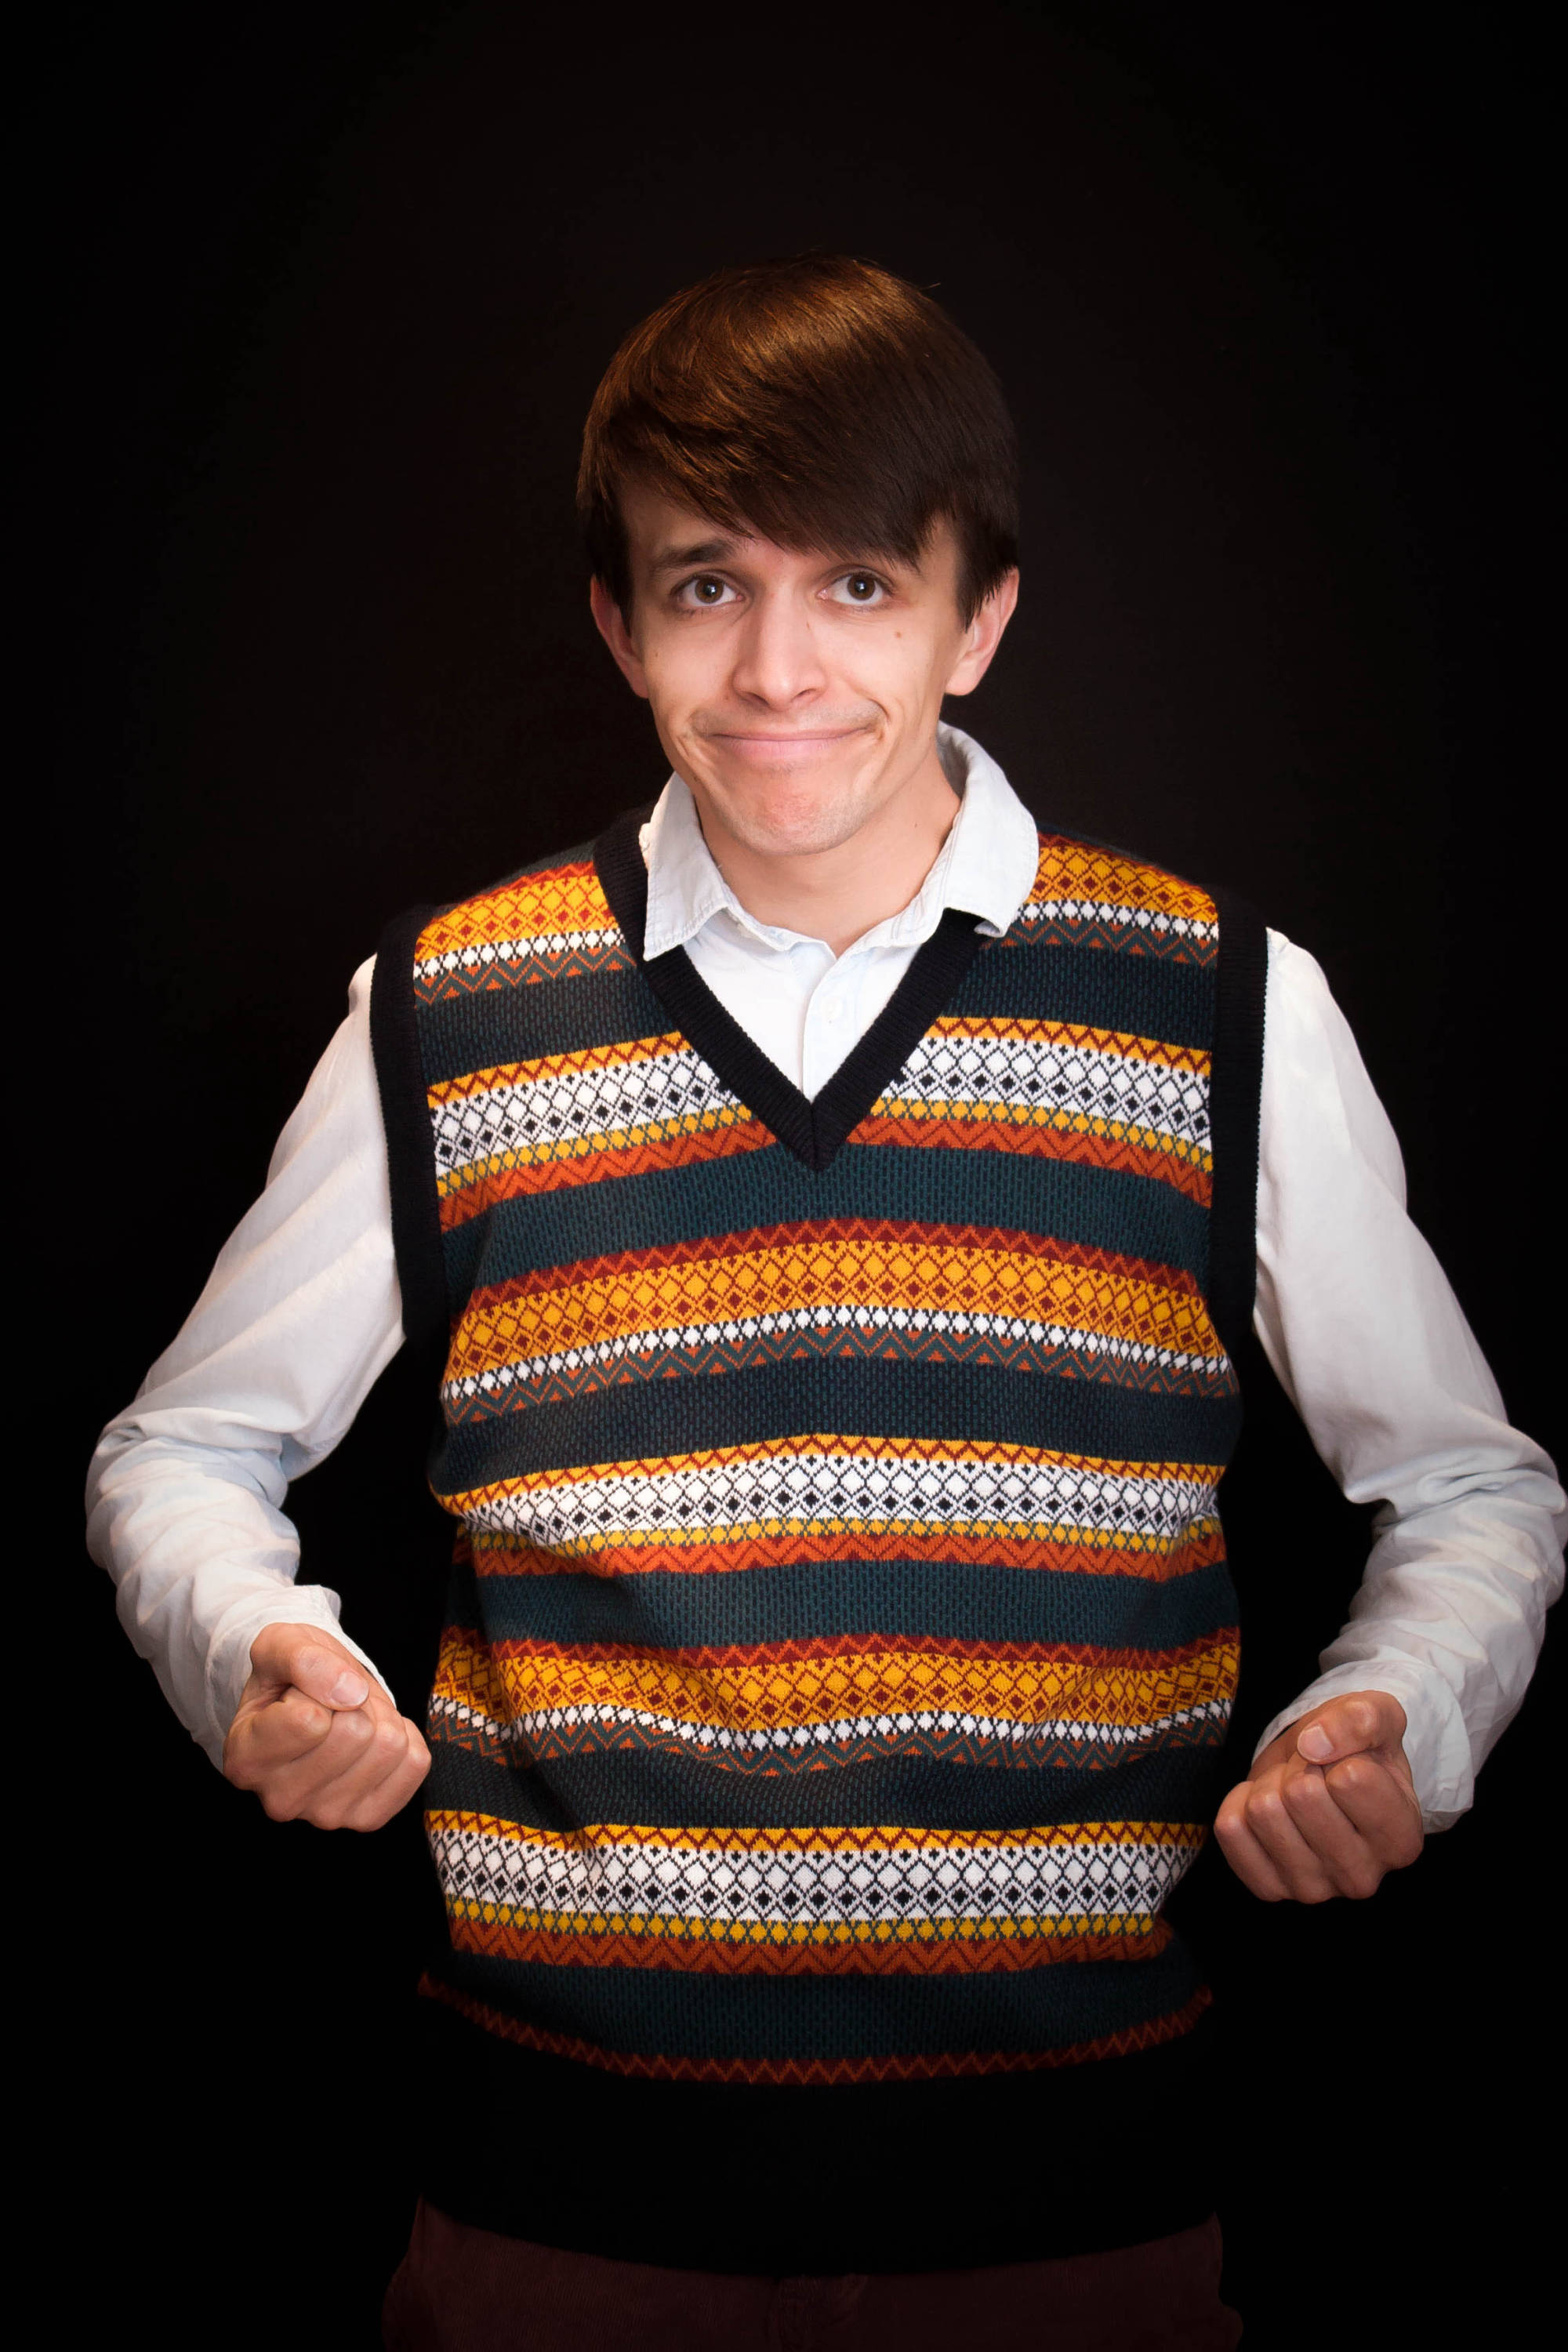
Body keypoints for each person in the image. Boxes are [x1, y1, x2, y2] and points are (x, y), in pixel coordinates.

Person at [85, 254, 1564, 2351]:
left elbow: (1471, 1487)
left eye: (859, 585)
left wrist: (1404, 1712)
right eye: (709, 585)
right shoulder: (443, 1013)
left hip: (1081, 2217)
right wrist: (256, 1648)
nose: (777, 667)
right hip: (555, 2215)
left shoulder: (1223, 1004)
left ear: (981, 618)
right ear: (621, 626)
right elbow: (185, 1447)